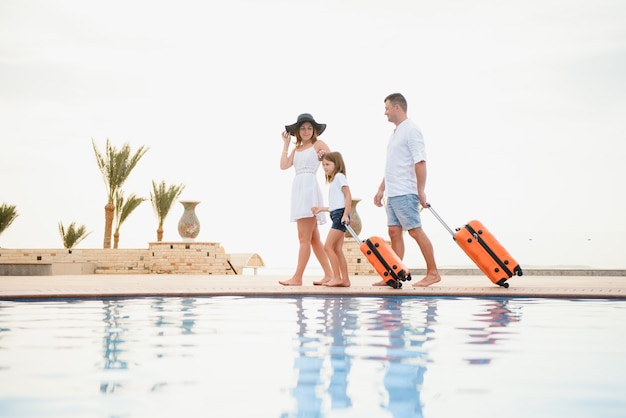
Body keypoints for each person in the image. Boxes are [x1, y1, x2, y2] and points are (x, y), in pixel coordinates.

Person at [373, 93, 441, 287]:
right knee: (394, 233)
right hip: (392, 194)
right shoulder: (395, 133)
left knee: (415, 231)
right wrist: (380, 190)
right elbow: (392, 166)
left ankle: (433, 273)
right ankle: (395, 273)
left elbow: (420, 161)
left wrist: (421, 191)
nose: (384, 112)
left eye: (387, 108)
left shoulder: (411, 130)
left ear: (397, 107)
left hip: (406, 192)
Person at [279, 113, 334, 286]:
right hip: (299, 190)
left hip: (309, 190)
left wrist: (323, 157)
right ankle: (329, 274)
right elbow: (283, 165)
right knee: (313, 238)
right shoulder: (296, 150)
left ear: (314, 130)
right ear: (297, 131)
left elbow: (333, 162)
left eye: (309, 128)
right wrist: (286, 145)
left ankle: (297, 277)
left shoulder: (318, 144)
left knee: (303, 238)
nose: (306, 131)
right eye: (302, 128)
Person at [312, 151, 352, 287]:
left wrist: (346, 215)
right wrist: (321, 209)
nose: (325, 167)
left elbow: (348, 196)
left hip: (340, 216)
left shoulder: (340, 176)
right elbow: (336, 205)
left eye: (328, 164)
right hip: (337, 214)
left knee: (327, 246)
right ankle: (345, 279)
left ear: (337, 164)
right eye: (323, 165)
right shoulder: (335, 180)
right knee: (337, 249)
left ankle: (336, 277)